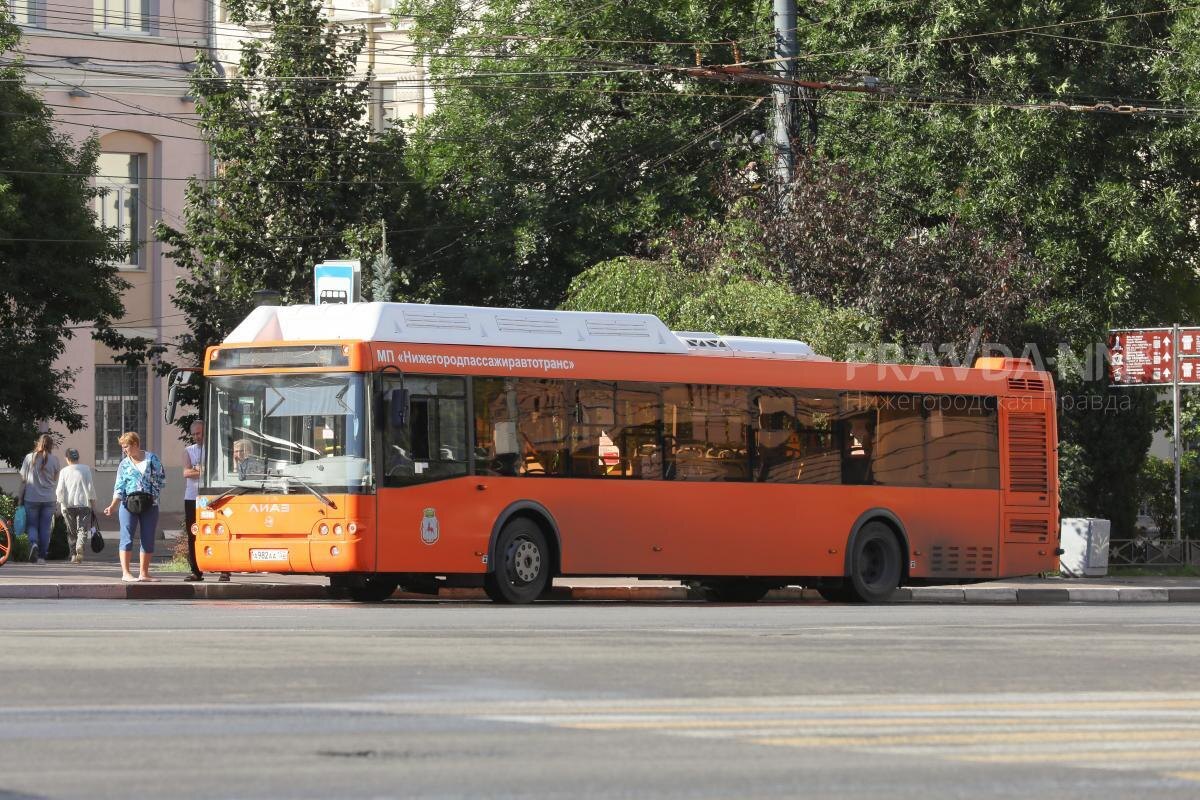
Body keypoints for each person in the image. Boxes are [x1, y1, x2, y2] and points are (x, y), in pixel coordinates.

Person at [103, 432, 166, 582]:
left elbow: (161, 479)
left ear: (136, 444)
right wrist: (112, 506)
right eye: (123, 447)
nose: (124, 450)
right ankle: (126, 573)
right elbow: (119, 486)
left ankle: (144, 573)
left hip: (149, 503)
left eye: (126, 447)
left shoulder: (152, 459)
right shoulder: (124, 464)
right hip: (128, 504)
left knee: (148, 538)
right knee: (126, 537)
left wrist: (152, 495)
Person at [183, 420, 228, 582]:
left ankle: (224, 570)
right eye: (194, 434)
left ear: (205, 433)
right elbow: (186, 473)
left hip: (212, 497)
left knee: (219, 530)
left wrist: (199, 470)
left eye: (199, 433)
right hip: (193, 497)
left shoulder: (216, 450)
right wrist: (203, 470)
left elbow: (218, 472)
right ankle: (196, 570)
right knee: (193, 532)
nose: (196, 437)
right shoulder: (189, 450)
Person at [18, 434, 62, 564]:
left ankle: (33, 544)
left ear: (38, 443)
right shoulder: (55, 460)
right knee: (45, 528)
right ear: (51, 445)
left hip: (31, 498)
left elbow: (23, 480)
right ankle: (42, 557)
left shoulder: (29, 458)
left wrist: (20, 498)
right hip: (49, 499)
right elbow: (54, 479)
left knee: (31, 525)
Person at [55, 448, 97, 564]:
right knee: (82, 529)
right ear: (77, 458)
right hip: (84, 504)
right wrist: (93, 502)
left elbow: (60, 490)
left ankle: (73, 555)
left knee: (71, 532)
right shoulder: (86, 469)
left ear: (67, 458)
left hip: (68, 505)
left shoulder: (64, 471)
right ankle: (80, 546)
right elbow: (90, 487)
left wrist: (59, 503)